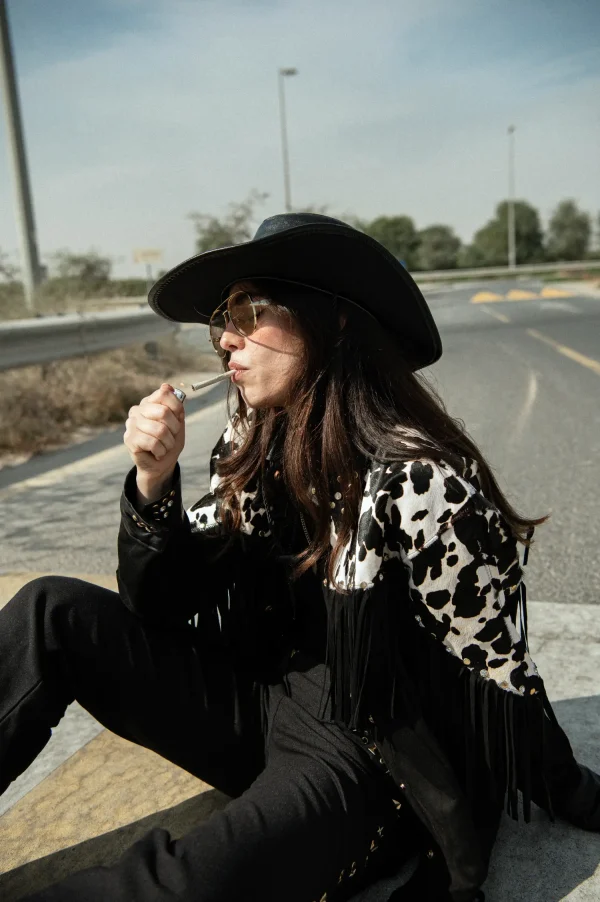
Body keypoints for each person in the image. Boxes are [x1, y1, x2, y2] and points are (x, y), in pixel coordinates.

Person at [0, 213, 598, 902]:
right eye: (223, 320)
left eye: (249, 313)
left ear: (332, 321)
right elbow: (158, 605)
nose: (226, 339)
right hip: (260, 700)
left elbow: (497, 669)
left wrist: (568, 792)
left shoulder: (423, 483)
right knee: (50, 611)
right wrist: (152, 483)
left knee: (189, 883)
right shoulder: (250, 448)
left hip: (361, 754)